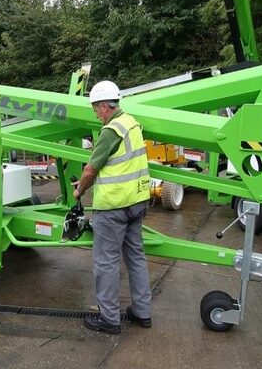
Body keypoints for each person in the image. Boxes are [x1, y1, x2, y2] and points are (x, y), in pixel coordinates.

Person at [73, 80, 152, 334]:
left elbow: (90, 170)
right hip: (136, 203)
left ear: (105, 106)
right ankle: (142, 311)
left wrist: (79, 189)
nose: (96, 113)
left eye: (96, 108)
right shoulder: (132, 123)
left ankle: (109, 319)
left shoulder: (110, 131)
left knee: (106, 262)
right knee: (136, 257)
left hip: (113, 208)